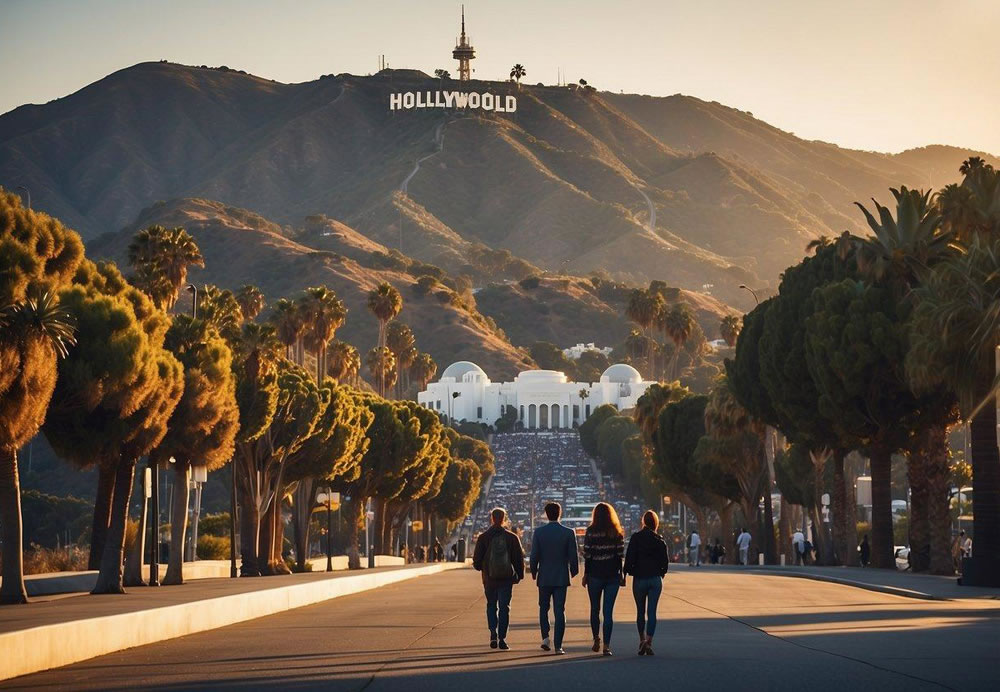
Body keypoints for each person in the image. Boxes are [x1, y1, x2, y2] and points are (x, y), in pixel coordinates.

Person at [529, 502, 579, 655]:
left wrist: (533, 570)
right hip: (561, 577)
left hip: (544, 576)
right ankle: (559, 645)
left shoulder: (539, 532)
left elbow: (534, 555)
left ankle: (545, 638)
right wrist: (574, 571)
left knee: (543, 608)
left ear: (546, 514)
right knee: (560, 610)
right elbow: (573, 555)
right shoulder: (569, 532)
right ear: (560, 513)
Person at [473, 507, 525, 651]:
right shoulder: (512, 538)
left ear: (491, 518)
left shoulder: (483, 537)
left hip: (489, 579)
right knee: (504, 608)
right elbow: (518, 559)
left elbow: (476, 561)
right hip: (506, 579)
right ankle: (502, 638)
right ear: (504, 519)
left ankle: (492, 633)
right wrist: (519, 575)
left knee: (491, 605)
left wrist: (484, 569)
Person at [624, 510, 669, 656]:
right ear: (656, 523)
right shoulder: (659, 540)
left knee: (640, 612)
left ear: (643, 522)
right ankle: (649, 641)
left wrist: (626, 572)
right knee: (652, 612)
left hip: (640, 578)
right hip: (655, 579)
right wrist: (661, 573)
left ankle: (641, 640)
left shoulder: (636, 538)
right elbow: (665, 562)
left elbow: (629, 557)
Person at [583, 502, 625, 656]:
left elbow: (587, 554)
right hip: (612, 575)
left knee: (595, 609)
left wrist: (586, 574)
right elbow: (620, 555)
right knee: (608, 612)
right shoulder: (616, 531)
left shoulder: (591, 531)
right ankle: (607, 646)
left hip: (594, 574)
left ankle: (596, 638)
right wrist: (621, 574)